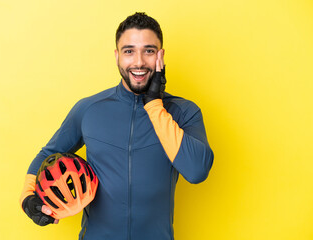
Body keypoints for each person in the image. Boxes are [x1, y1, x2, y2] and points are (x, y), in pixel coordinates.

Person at [20, 12, 214, 240]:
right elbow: (48, 154)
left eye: (149, 51)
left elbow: (197, 171)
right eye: (129, 51)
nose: (139, 61)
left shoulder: (184, 112)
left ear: (160, 56)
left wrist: (154, 105)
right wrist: (27, 197)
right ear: (117, 56)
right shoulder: (89, 109)